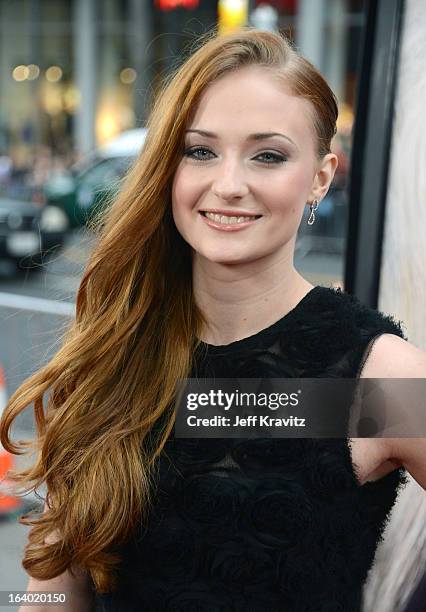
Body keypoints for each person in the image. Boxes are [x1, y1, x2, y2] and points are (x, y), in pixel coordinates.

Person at [1, 27, 425, 612]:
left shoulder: (380, 378)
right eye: (200, 150)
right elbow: (49, 592)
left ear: (321, 177)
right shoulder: (110, 355)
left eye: (268, 156)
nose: (228, 185)